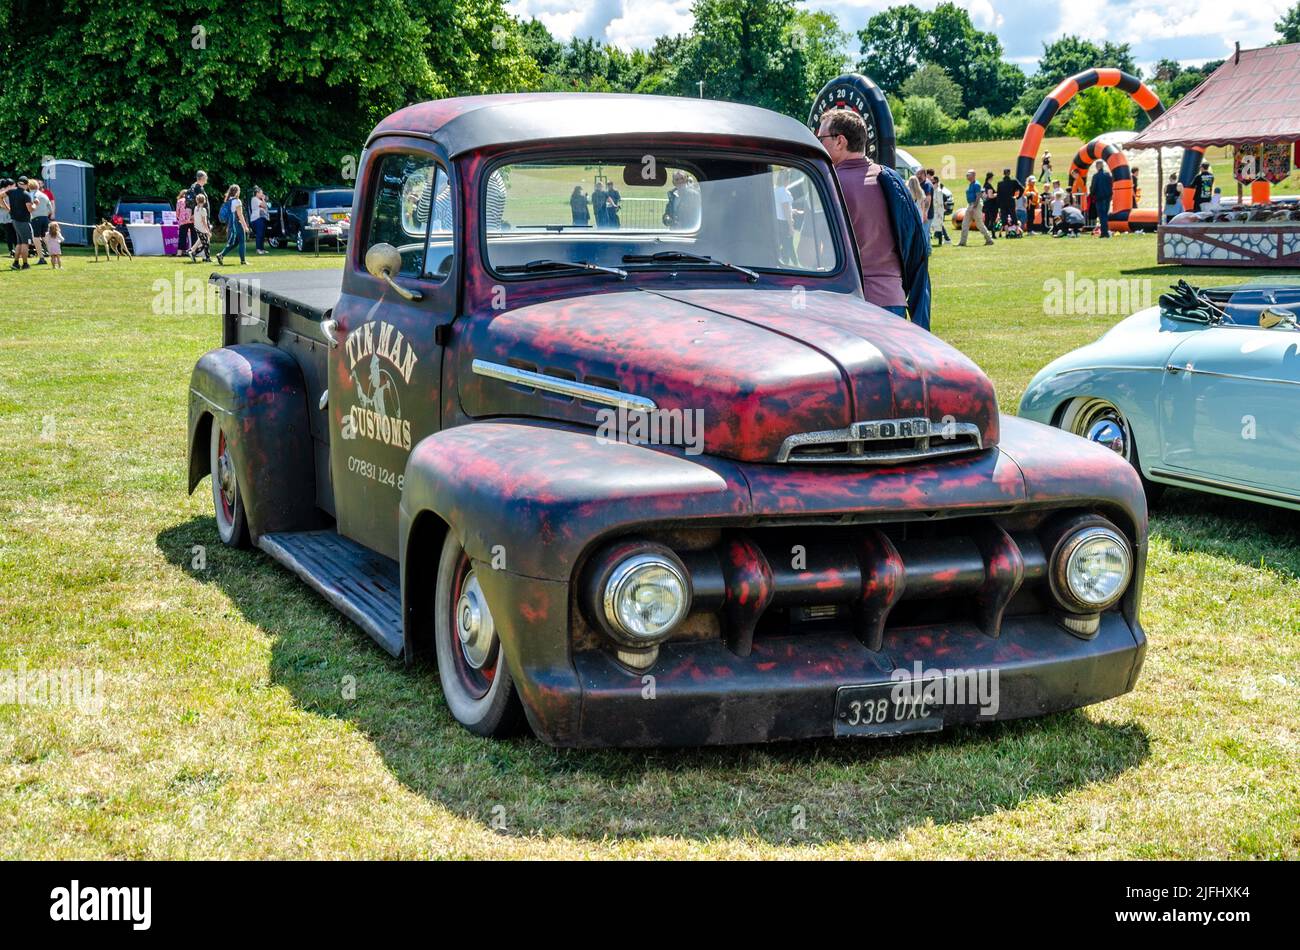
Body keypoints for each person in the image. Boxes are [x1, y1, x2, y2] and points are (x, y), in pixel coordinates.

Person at [816, 107, 931, 328]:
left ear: (840, 141)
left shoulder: (829, 184)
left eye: (821, 138)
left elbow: (811, 254)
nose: (818, 144)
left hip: (848, 304)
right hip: (894, 302)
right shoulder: (891, 180)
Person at [3, 176, 36, 270]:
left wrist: (7, 207)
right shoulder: (26, 194)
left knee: (19, 243)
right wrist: (35, 204)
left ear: (18, 183)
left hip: (15, 220)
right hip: (23, 221)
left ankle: (16, 263)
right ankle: (25, 264)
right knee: (25, 243)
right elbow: (30, 209)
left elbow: (0, 196)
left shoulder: (11, 191)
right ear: (26, 185)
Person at [958, 169, 994, 246]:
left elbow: (978, 196)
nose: (967, 176)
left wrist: (973, 207)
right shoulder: (971, 184)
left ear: (973, 175)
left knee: (979, 224)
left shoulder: (976, 184)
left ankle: (989, 240)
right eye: (966, 174)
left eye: (969, 174)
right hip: (970, 205)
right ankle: (962, 242)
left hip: (976, 205)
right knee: (965, 223)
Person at [215, 184, 247, 265]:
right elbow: (240, 215)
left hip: (231, 224)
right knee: (242, 241)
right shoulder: (237, 201)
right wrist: (245, 226)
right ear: (237, 192)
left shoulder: (228, 201)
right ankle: (243, 261)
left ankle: (221, 255)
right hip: (237, 223)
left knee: (235, 243)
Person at [28, 180, 53, 264]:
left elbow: (29, 207)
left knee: (36, 238)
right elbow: (50, 209)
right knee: (45, 237)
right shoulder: (44, 195)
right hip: (45, 218)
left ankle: (41, 258)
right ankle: (54, 253)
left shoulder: (31, 195)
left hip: (35, 218)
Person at [1089, 160, 1113, 238]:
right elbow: (1111, 185)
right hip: (1107, 198)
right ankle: (1105, 231)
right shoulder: (1108, 175)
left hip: (1099, 198)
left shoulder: (1095, 176)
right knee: (1105, 215)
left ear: (1097, 166)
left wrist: (1092, 194)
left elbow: (1093, 188)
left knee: (1102, 216)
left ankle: (1104, 233)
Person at [189, 193, 212, 263]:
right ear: (204, 201)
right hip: (202, 229)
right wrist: (208, 231)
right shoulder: (203, 210)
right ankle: (194, 253)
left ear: (197, 201)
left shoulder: (196, 208)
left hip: (197, 227)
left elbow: (195, 218)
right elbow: (204, 221)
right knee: (206, 244)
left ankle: (206, 257)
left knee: (205, 243)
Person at [248, 186, 269, 254]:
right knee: (259, 234)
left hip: (262, 218)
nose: (262, 194)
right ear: (257, 193)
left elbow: (265, 206)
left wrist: (263, 200)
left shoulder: (259, 200)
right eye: (261, 193)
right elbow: (264, 205)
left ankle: (262, 249)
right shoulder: (254, 199)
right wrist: (263, 199)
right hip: (257, 219)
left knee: (262, 234)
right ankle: (258, 249)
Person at [175, 189, 193, 254]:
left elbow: (177, 212)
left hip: (183, 221)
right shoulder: (192, 200)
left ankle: (179, 252)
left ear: (181, 194)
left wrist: (178, 218)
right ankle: (193, 252)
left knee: (182, 237)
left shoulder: (179, 201)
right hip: (192, 220)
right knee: (193, 237)